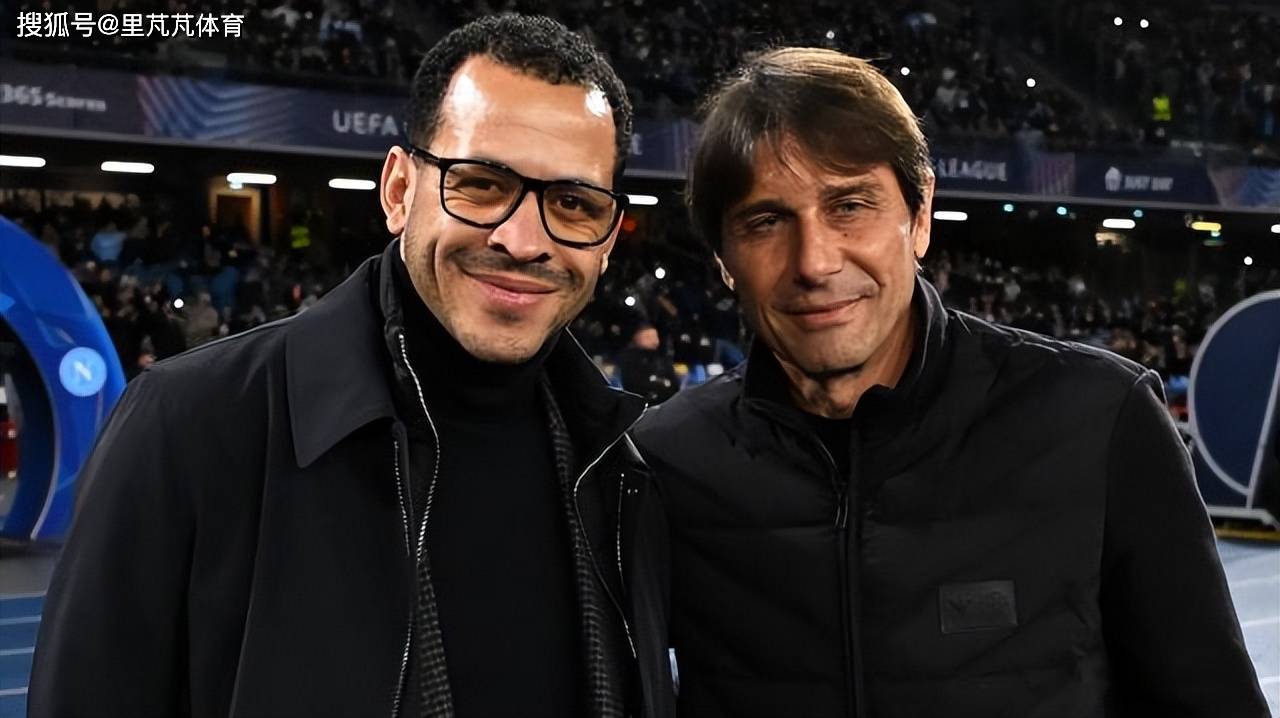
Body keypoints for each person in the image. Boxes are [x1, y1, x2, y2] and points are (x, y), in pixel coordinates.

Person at [30, 15, 675, 718]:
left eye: (573, 204)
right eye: (482, 184)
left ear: (607, 240)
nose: (522, 242)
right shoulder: (186, 426)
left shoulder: (622, 467)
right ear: (398, 190)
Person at [633, 47, 1267, 717]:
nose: (814, 262)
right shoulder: (665, 462)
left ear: (920, 216)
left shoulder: (1099, 419)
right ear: (724, 257)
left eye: (850, 206)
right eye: (766, 222)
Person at [616, 322, 679, 404]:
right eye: (648, 337)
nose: (653, 340)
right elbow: (633, 384)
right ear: (637, 338)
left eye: (655, 336)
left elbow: (674, 384)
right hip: (642, 403)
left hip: (667, 402)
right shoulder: (629, 358)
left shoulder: (662, 357)